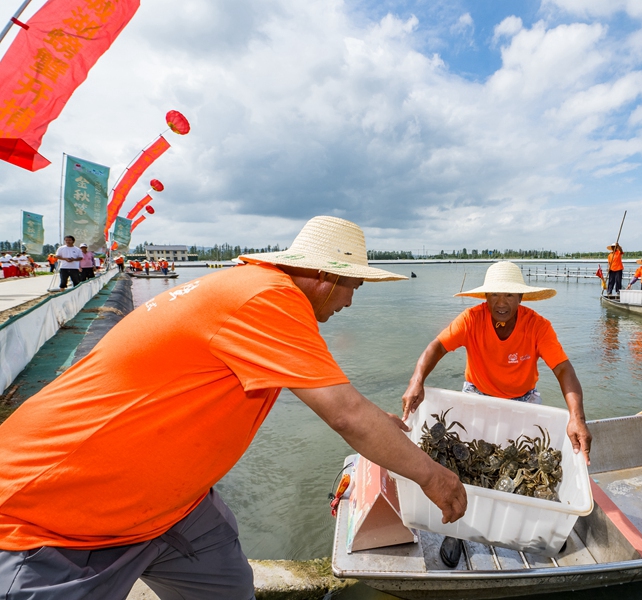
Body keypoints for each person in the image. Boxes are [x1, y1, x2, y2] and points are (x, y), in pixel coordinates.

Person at [0, 216, 466, 599]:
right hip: (57, 512)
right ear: (326, 278)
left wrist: (375, 422)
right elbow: (345, 414)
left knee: (228, 587)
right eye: (353, 287)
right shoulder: (273, 297)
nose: (350, 301)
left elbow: (329, 396)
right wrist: (433, 475)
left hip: (170, 504)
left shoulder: (251, 289)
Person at [402, 261, 592, 567]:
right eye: (494, 295)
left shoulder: (538, 326)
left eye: (509, 295)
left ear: (521, 298)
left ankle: (534, 529)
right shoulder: (471, 319)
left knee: (529, 466)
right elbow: (436, 347)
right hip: (477, 395)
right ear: (485, 297)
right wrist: (416, 381)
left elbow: (563, 368)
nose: (501, 303)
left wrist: (577, 417)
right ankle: (455, 529)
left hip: (524, 399)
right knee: (462, 463)